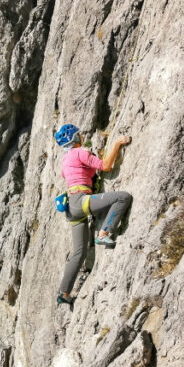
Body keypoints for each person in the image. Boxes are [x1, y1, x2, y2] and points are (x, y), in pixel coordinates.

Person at [54, 124, 132, 305]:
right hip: (82, 201)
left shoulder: (66, 160)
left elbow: (73, 174)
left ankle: (64, 293)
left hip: (72, 209)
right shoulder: (80, 152)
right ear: (75, 139)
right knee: (122, 198)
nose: (81, 137)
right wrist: (118, 144)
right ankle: (105, 233)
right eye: (78, 135)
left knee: (79, 253)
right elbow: (106, 166)